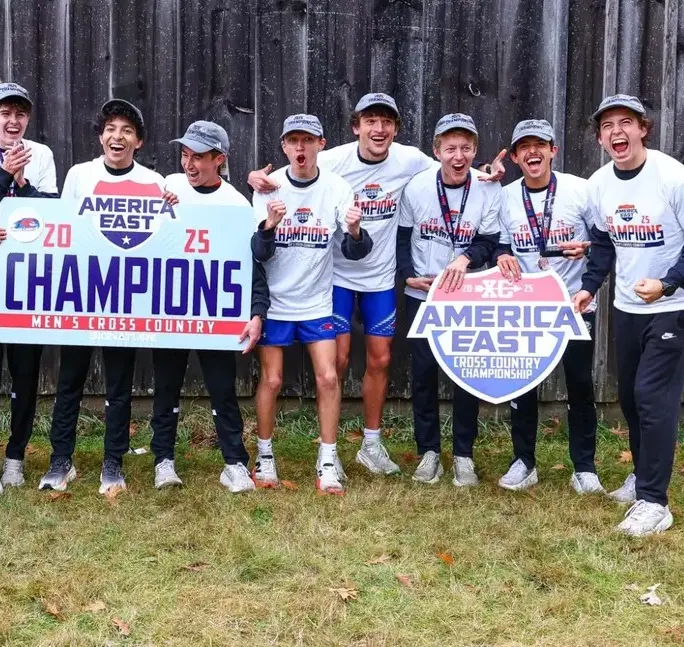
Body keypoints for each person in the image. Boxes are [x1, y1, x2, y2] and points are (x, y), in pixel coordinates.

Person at [247, 93, 505, 478]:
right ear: (357, 127)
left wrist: (485, 170)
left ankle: (371, 443)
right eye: (370, 121)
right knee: (335, 361)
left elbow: (452, 164)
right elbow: (294, 170)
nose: (379, 129)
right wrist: (255, 177)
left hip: (381, 275)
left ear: (396, 129)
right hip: (335, 275)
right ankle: (327, 450)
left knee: (381, 359)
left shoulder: (411, 160)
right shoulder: (333, 160)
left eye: (386, 122)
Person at [37, 98, 165, 495]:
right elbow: (60, 230)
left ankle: (113, 463)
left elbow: (165, 239)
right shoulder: (79, 175)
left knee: (119, 385)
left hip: (127, 301)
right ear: (100, 137)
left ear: (138, 142)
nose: (118, 136)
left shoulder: (154, 183)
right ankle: (61, 461)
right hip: (82, 295)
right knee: (69, 381)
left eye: (127, 130)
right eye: (111, 128)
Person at [574, 94, 684, 536]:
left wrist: (669, 283)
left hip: (671, 308)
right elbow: (602, 244)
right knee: (631, 400)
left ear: (643, 128)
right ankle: (642, 476)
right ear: (600, 137)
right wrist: (586, 288)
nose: (617, 132)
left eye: (626, 123)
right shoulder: (600, 183)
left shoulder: (671, 176)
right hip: (627, 308)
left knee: (654, 399)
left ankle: (655, 504)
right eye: (607, 126)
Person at [250, 114, 370, 494]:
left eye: (308, 140)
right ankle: (265, 455)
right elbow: (258, 252)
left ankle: (328, 459)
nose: (301, 148)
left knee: (329, 377)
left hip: (318, 302)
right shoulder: (269, 187)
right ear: (284, 146)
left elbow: (355, 251)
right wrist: (269, 226)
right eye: (293, 141)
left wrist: (354, 230)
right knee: (271, 379)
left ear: (322, 143)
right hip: (278, 303)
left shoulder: (337, 188)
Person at [148, 120, 268, 493]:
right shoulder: (167, 186)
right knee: (166, 387)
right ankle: (163, 461)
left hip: (216, 310)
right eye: (185, 154)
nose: (189, 164)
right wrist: (159, 212)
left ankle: (234, 463)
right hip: (170, 307)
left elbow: (250, 265)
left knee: (222, 389)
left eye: (198, 156)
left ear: (220, 159)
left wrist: (256, 313)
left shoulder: (235, 203)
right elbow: (141, 247)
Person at [492, 119, 600, 494]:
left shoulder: (581, 191)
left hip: (575, 305)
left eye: (541, 145)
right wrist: (503, 253)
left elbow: (605, 242)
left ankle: (584, 468)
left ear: (553, 150)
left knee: (580, 386)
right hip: (529, 307)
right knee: (523, 386)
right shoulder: (505, 196)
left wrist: (586, 248)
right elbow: (498, 242)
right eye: (525, 147)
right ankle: (524, 461)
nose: (533, 152)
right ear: (517, 156)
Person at [396, 113, 503, 487]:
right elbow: (401, 237)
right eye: (451, 148)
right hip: (423, 295)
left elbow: (490, 241)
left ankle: (463, 455)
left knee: (465, 378)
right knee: (423, 375)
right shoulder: (416, 187)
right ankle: (428, 452)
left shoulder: (489, 188)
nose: (459, 156)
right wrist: (407, 274)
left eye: (466, 148)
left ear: (475, 150)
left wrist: (464, 258)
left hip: (467, 295)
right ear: (437, 150)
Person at [0, 82, 57, 493]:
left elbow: (51, 217)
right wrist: (4, 175)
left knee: (24, 376)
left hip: (27, 286)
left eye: (20, 114)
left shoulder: (45, 156)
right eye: (5, 113)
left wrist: (20, 192)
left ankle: (15, 457)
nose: (13, 121)